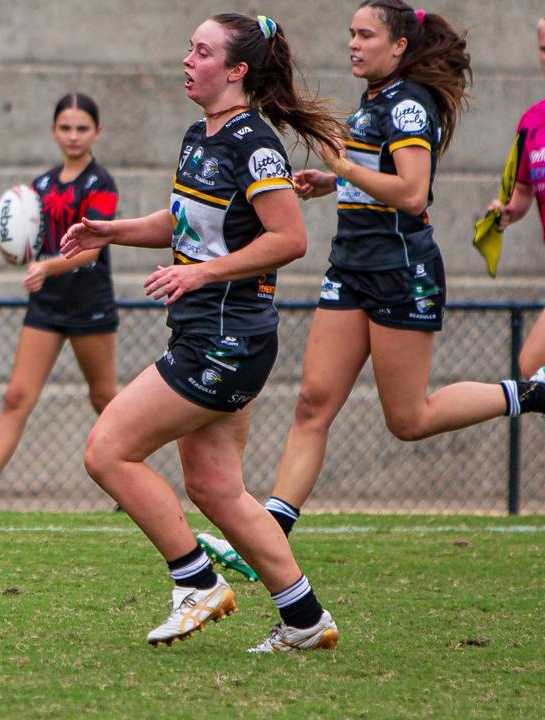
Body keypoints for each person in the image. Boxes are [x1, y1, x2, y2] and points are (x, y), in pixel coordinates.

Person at [198, 2, 545, 576]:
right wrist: (330, 180)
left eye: (365, 35)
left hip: (398, 270)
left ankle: (530, 394)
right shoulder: (377, 98)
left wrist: (344, 166)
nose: (353, 44)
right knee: (312, 404)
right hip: (352, 264)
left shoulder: (409, 104)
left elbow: (412, 192)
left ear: (400, 46)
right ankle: (265, 537)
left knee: (408, 419)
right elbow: (373, 170)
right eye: (350, 34)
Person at [61, 14, 344, 652]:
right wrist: (113, 230)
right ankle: (305, 619)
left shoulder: (254, 143)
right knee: (216, 487)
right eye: (189, 46)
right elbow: (187, 223)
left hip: (227, 337)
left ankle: (195, 582)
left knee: (107, 451)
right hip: (209, 330)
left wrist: (203, 275)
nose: (187, 58)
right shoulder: (201, 134)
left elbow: (290, 240)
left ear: (237, 70)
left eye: (202, 50)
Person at [0, 93, 120, 510]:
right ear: (54, 131)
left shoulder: (100, 183)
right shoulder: (40, 187)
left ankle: (130, 482)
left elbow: (92, 248)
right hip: (47, 304)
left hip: (89, 303)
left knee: (104, 398)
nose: (73, 136)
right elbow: (23, 251)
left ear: (97, 132)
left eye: (82, 128)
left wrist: (48, 268)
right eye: (66, 128)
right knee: (17, 396)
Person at [486, 16, 545, 379]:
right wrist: (508, 210)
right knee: (529, 369)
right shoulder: (532, 121)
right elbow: (523, 188)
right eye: (543, 49)